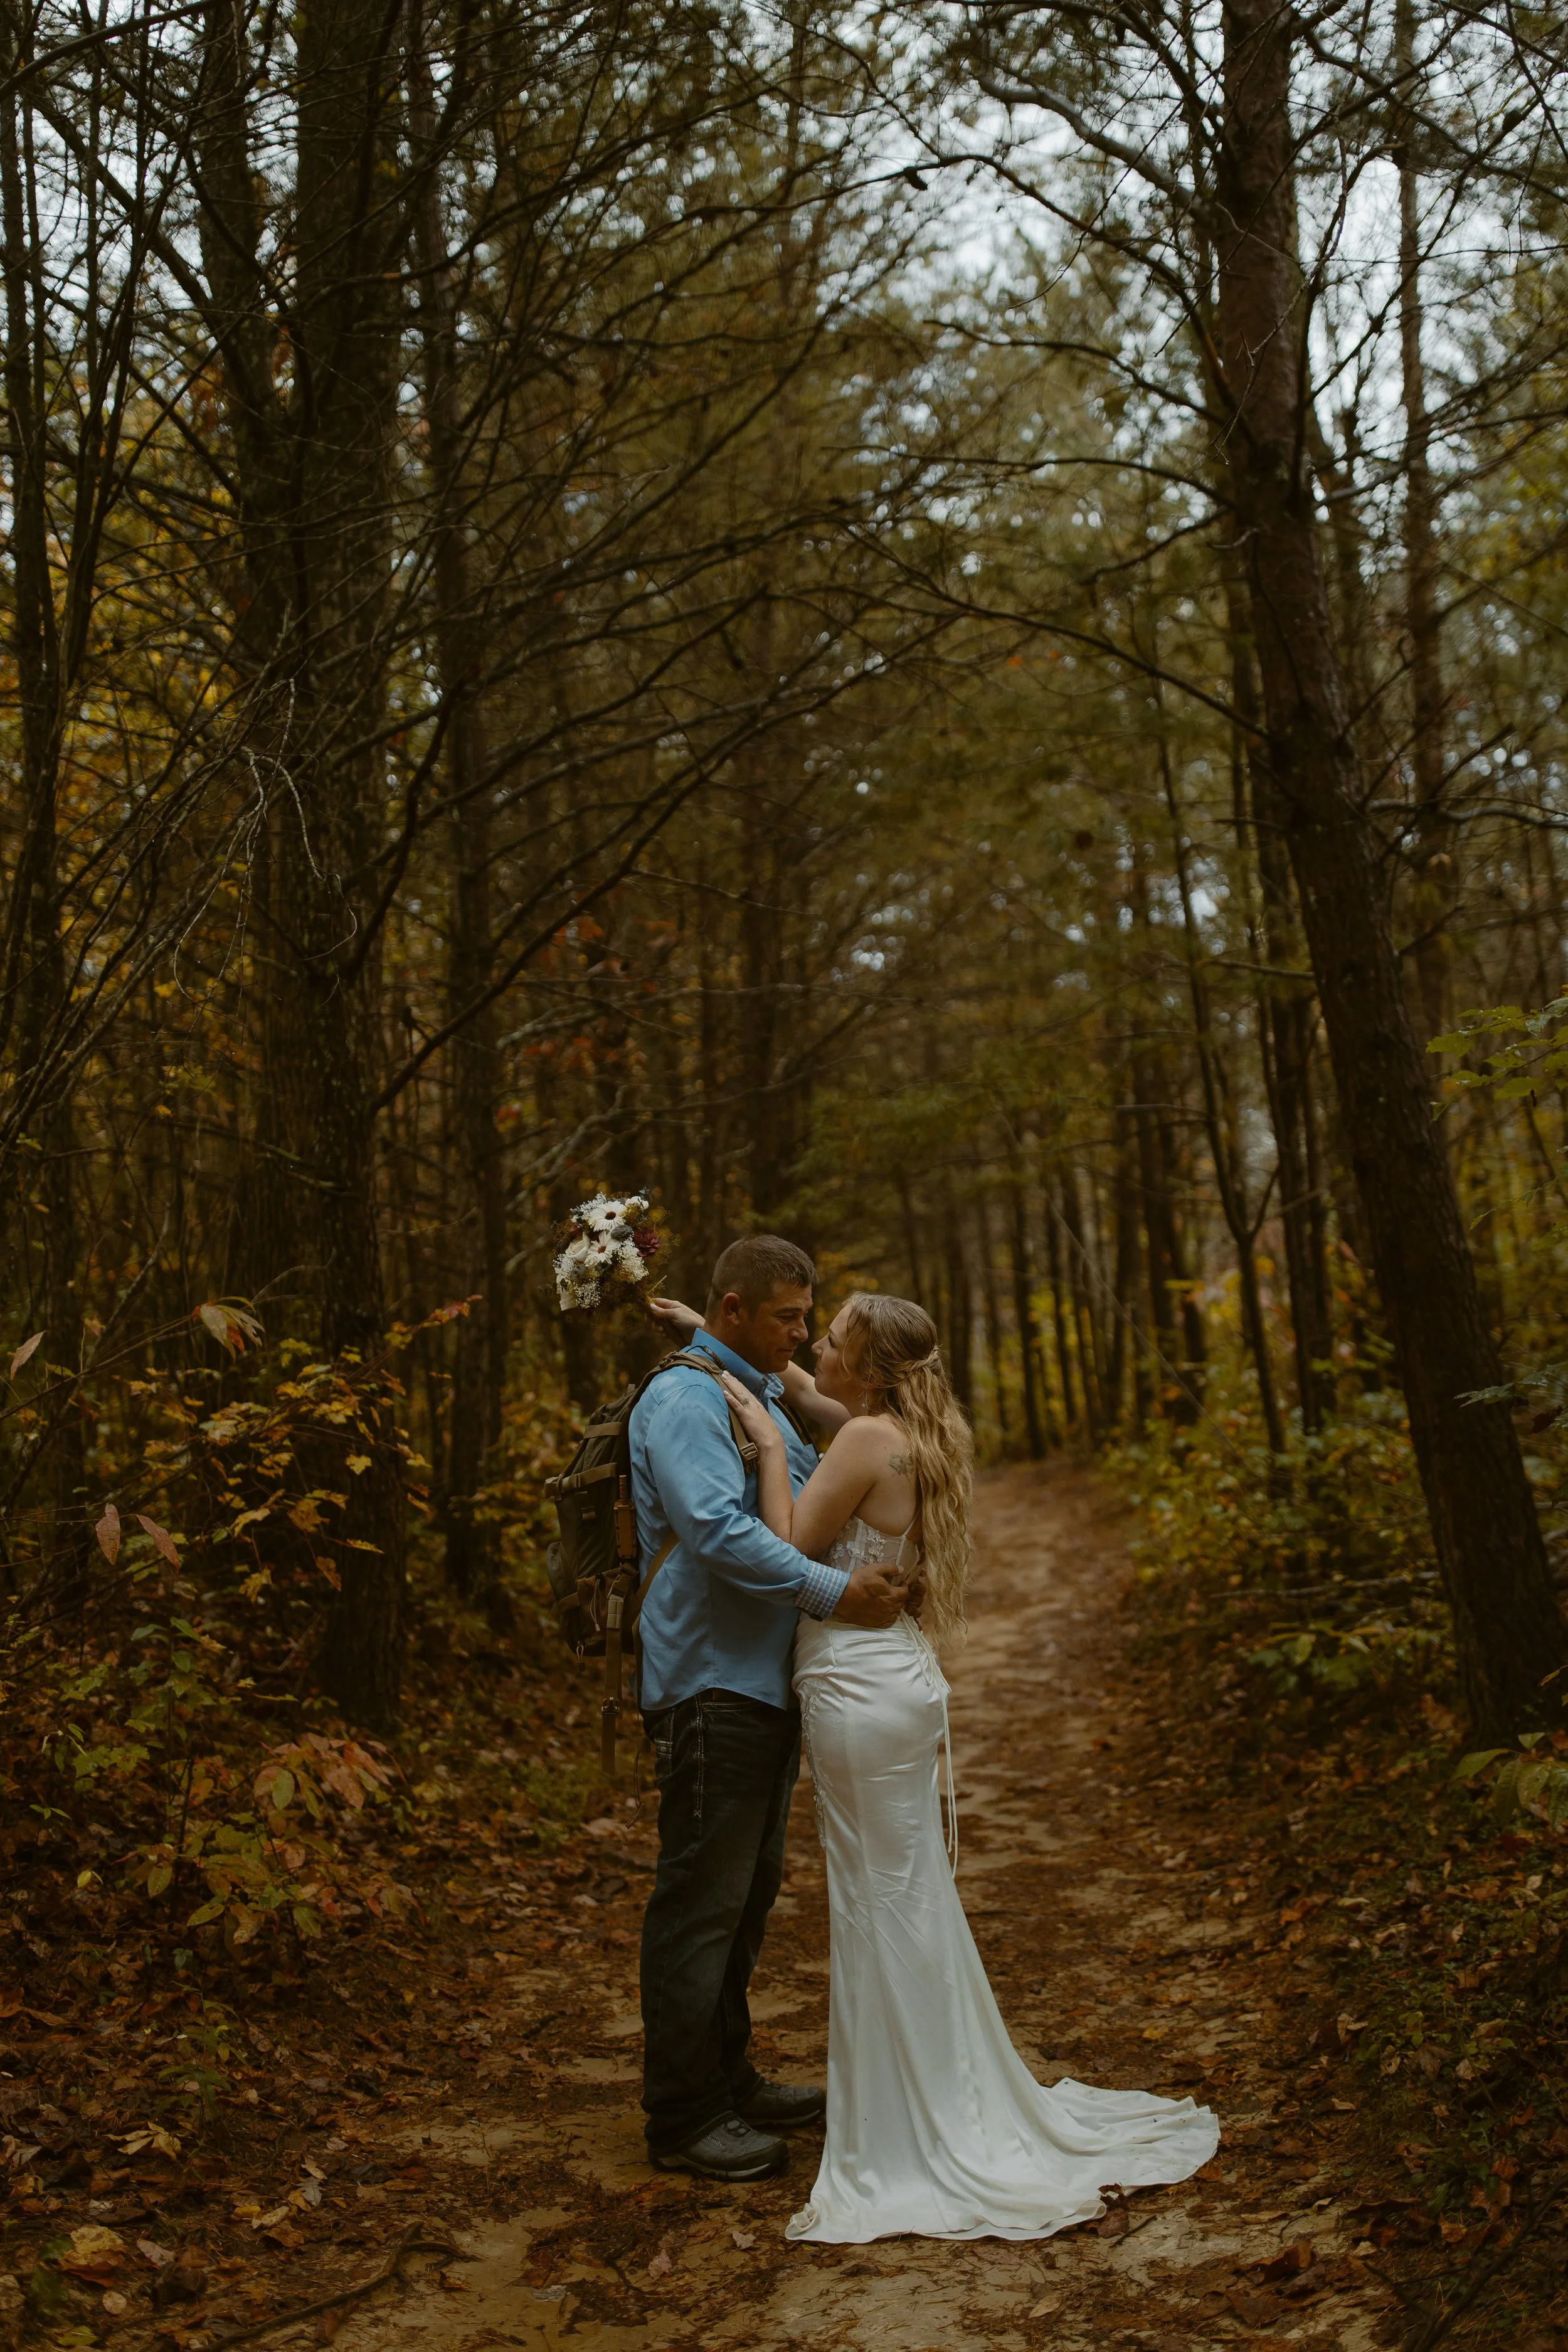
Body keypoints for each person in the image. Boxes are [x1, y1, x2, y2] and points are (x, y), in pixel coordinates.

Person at [712, 1288, 1221, 2243]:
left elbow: (787, 1549)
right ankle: (940, 2089)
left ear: (868, 1368)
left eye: (830, 1339)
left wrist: (772, 1448)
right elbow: (814, 1393)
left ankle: (916, 2123)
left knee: (878, 1904)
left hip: (857, 1688)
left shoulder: (863, 1439)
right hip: (897, 1682)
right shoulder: (912, 1430)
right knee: (908, 1897)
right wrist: (716, 1341)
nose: (814, 1349)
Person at [631, 1237, 910, 2185]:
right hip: (709, 1681)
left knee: (742, 1903)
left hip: (759, 1682)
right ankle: (682, 2114)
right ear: (736, 1308)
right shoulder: (685, 1398)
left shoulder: (750, 1393)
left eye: (807, 1317)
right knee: (700, 1903)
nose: (801, 1332)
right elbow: (717, 1531)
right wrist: (835, 1594)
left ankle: (727, 2079)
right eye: (788, 1316)